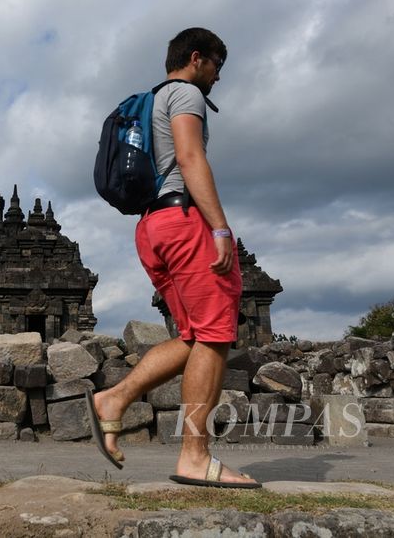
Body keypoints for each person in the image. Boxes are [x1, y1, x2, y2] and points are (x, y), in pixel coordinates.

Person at [86, 27, 260, 489]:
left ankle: (113, 400)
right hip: (184, 222)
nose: (218, 77)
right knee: (218, 335)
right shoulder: (185, 94)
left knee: (193, 334)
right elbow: (190, 157)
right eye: (218, 66)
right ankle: (195, 457)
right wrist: (220, 228)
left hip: (150, 228)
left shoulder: (148, 102)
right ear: (197, 58)